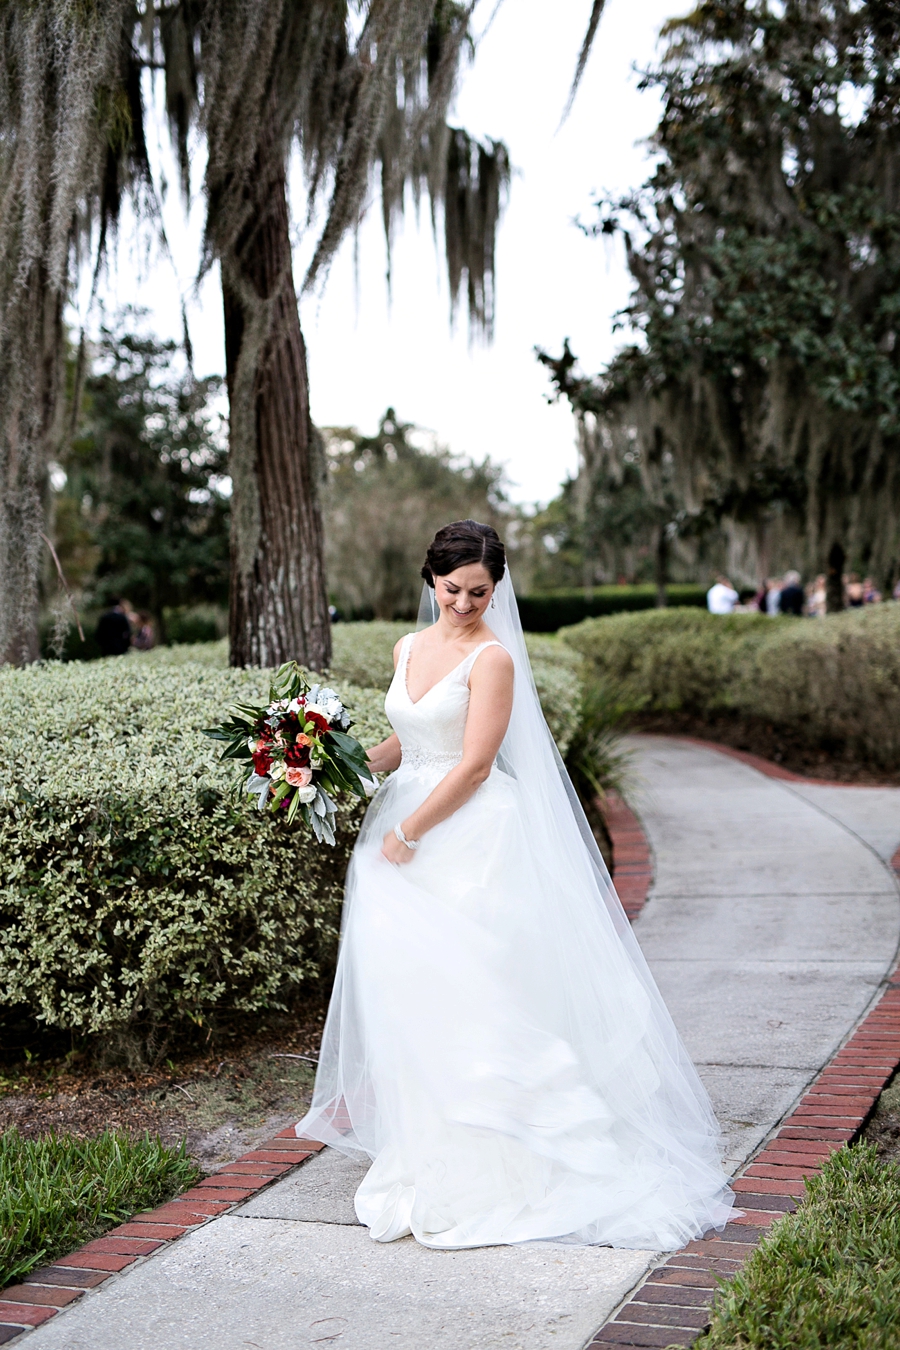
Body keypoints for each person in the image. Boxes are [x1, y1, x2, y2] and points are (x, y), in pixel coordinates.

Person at [295, 519, 735, 1251]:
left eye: (480, 592)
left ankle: (509, 1164)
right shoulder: (409, 648)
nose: (465, 604)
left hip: (466, 836)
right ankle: (433, 1151)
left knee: (482, 991)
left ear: (497, 590)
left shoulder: (492, 659)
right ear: (430, 582)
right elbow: (408, 741)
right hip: (403, 824)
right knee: (416, 995)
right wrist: (325, 763)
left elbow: (470, 765)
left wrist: (410, 834)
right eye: (453, 590)